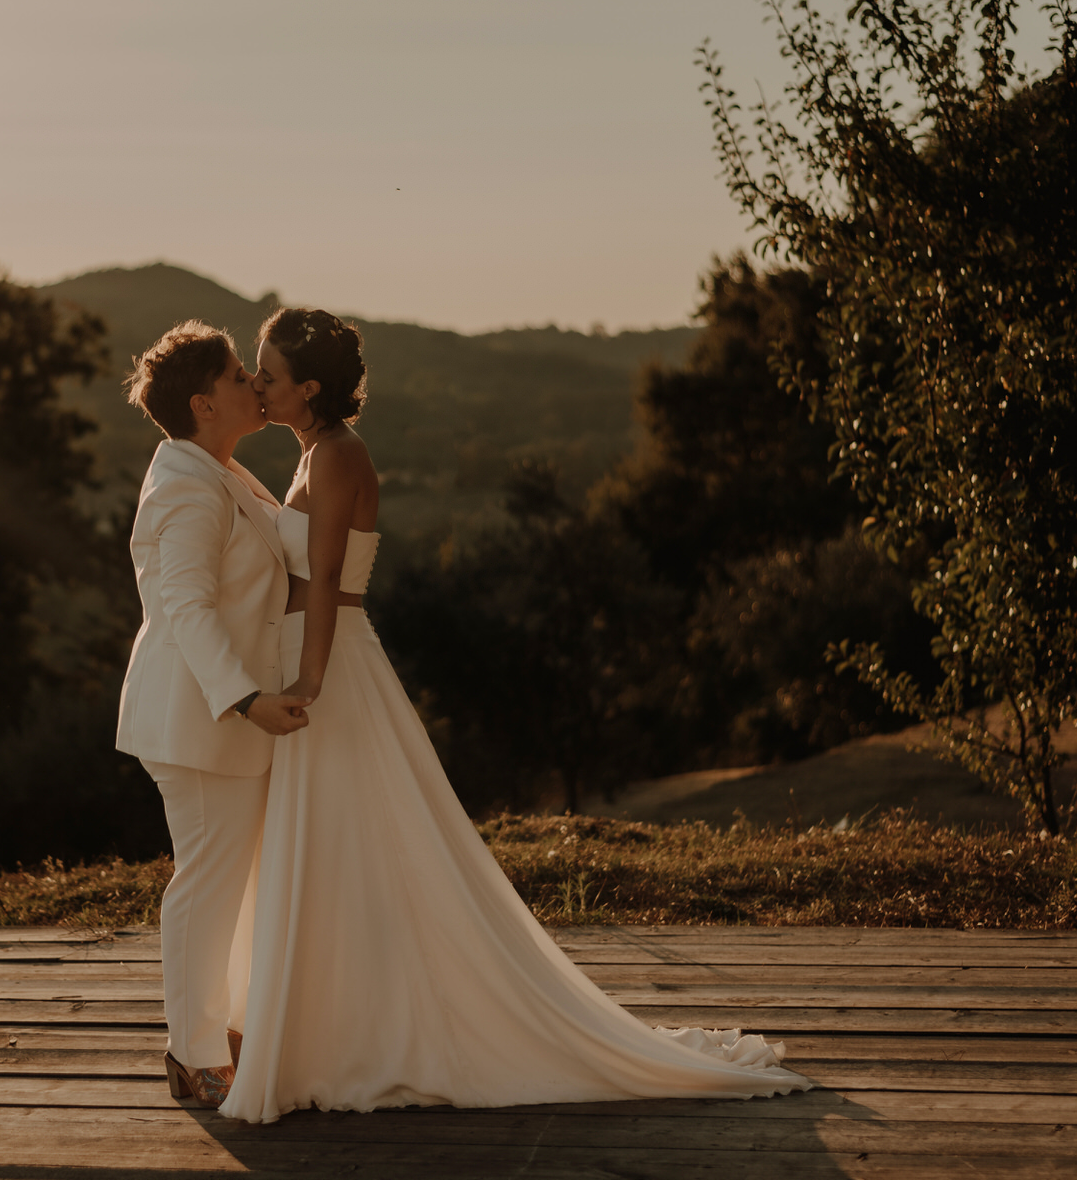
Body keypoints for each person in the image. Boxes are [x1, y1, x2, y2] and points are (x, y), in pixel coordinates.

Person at [218, 306, 811, 1123]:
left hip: (328, 662)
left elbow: (322, 578)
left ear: (309, 387)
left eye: (269, 373)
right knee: (330, 845)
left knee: (348, 837)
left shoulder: (342, 455)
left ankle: (361, 1030)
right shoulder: (314, 453)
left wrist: (310, 675)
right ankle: (331, 1021)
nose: (257, 382)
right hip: (308, 653)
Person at [116, 319, 312, 1109]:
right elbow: (187, 608)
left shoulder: (218, 468)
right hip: (201, 718)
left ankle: (220, 1024)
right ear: (204, 403)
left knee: (228, 877)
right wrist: (246, 697)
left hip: (218, 714)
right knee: (204, 883)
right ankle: (191, 1051)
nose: (252, 385)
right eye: (239, 376)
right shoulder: (187, 487)